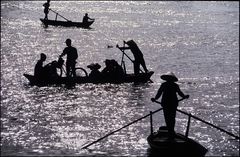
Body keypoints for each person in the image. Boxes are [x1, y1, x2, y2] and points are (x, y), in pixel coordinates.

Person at [151, 72, 189, 139]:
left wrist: (184, 96)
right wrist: (155, 98)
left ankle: (171, 131)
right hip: (169, 103)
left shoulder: (172, 85)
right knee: (170, 118)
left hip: (170, 103)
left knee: (169, 117)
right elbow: (159, 93)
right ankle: (171, 131)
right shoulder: (167, 85)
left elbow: (180, 93)